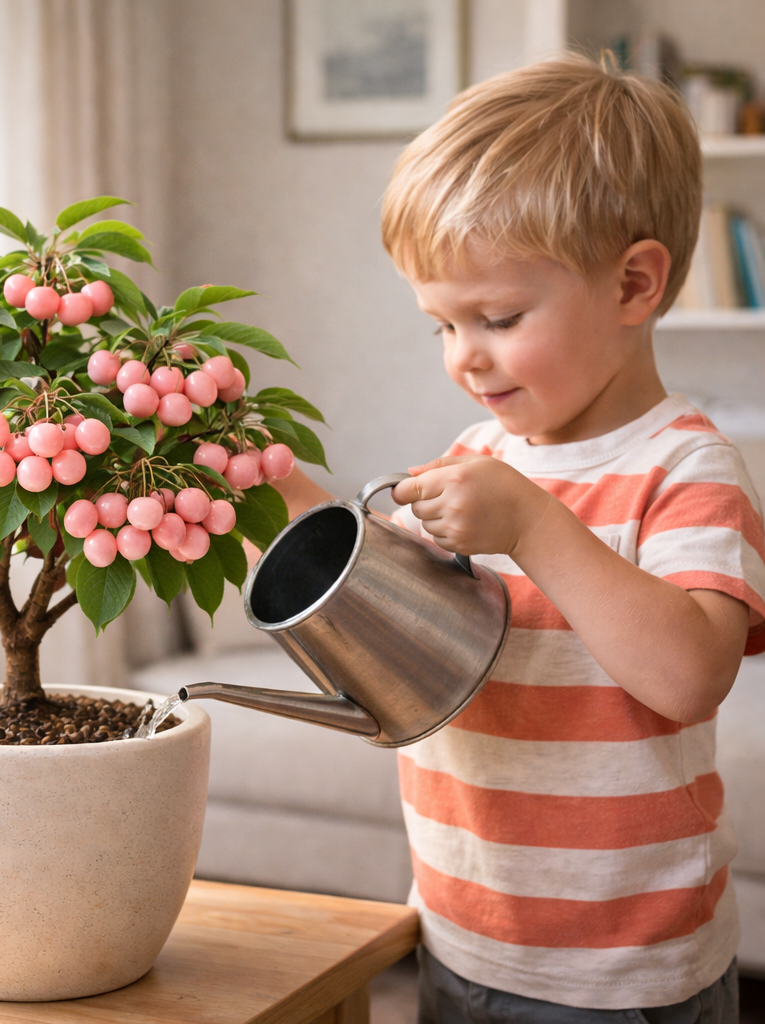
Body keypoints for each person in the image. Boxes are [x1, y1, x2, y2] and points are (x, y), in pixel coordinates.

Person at [273, 54, 765, 1023]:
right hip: (459, 937)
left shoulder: (686, 467)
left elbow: (688, 678)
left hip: (623, 976)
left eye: (496, 318)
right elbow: (378, 612)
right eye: (441, 326)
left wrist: (536, 525)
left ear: (634, 284)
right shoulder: (479, 456)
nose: (465, 357)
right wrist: (271, 481)